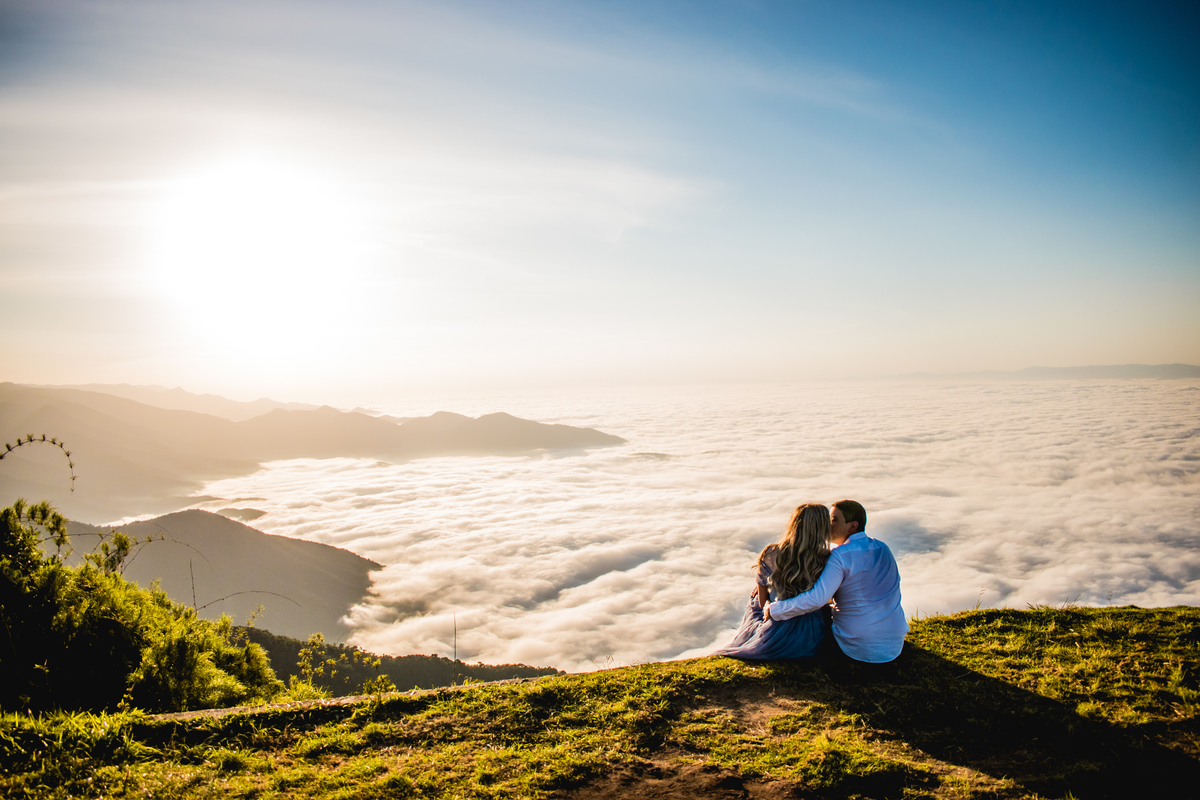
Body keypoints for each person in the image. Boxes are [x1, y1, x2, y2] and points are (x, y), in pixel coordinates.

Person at [764, 500, 907, 665]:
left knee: (816, 617)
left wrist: (774, 610)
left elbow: (816, 600)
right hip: (895, 639)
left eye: (834, 520)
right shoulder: (883, 548)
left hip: (857, 643)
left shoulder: (840, 555)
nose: (828, 525)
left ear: (852, 526)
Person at [713, 503, 831, 659]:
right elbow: (826, 598)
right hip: (809, 634)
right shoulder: (827, 558)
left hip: (775, 623)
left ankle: (755, 635)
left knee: (756, 596)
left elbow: (763, 603)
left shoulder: (771, 552)